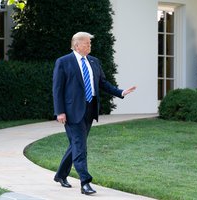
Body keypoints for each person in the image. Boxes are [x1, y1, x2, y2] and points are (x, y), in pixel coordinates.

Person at [52, 32, 136, 195]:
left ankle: (61, 175)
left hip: (90, 109)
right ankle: (85, 182)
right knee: (80, 146)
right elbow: (57, 89)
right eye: (87, 43)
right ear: (76, 45)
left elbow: (102, 83)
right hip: (72, 111)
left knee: (76, 144)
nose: (90, 46)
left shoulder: (94, 61)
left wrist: (121, 92)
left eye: (90, 43)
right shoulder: (63, 62)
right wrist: (60, 112)